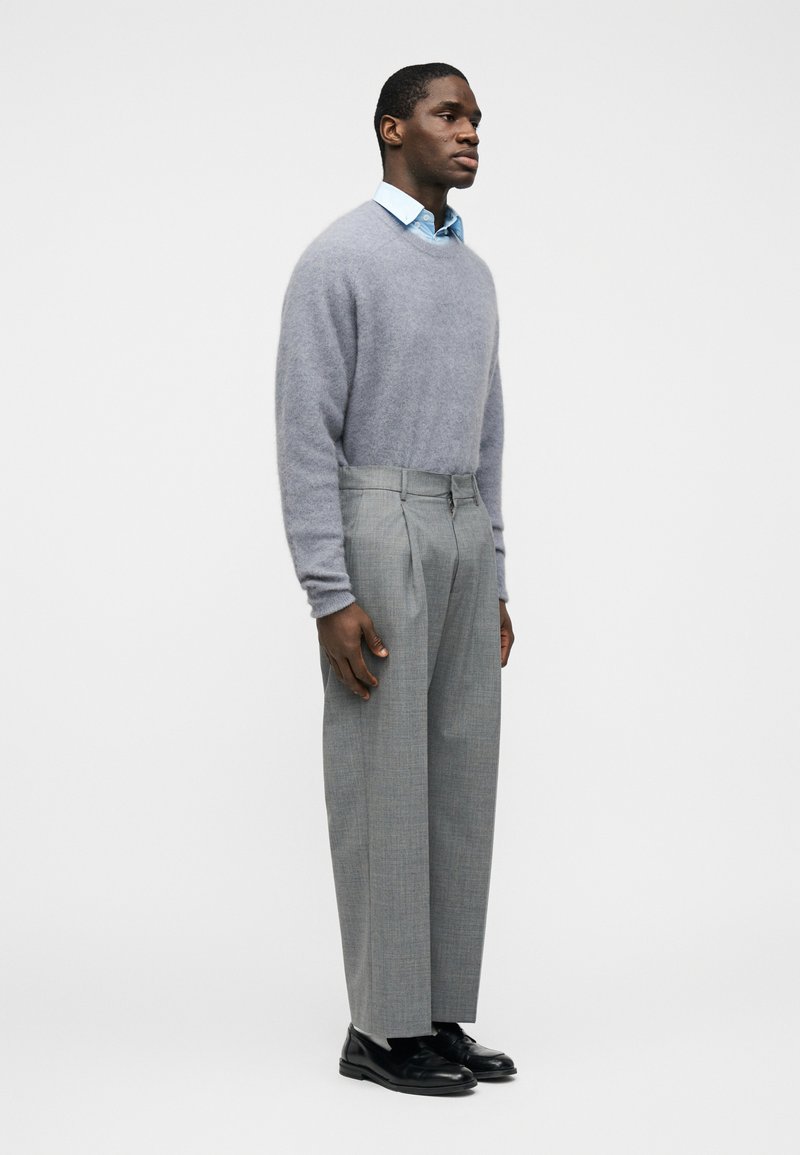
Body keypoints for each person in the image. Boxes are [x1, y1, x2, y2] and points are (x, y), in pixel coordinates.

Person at [274, 62, 517, 1095]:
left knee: (459, 774)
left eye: (475, 119)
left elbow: (489, 431)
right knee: (383, 777)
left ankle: (437, 1010)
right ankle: (379, 1028)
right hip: (379, 517)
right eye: (446, 114)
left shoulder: (474, 273)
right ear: (391, 129)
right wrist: (328, 591)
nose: (468, 132)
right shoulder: (340, 258)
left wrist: (495, 569)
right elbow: (304, 431)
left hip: (461, 522)